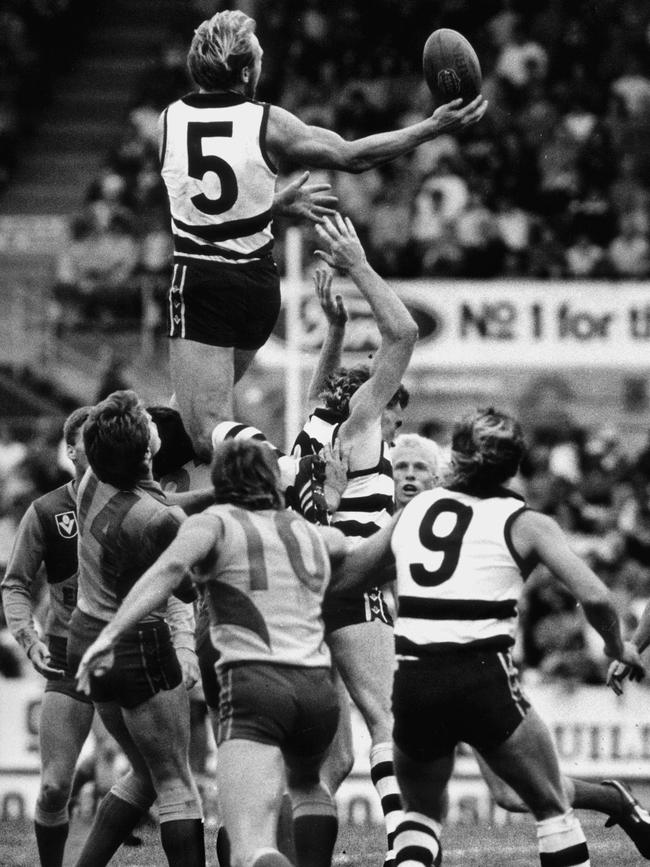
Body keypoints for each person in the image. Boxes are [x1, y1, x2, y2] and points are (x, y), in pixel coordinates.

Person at [160, 8, 488, 460]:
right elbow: (351, 156)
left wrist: (270, 206)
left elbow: (204, 206)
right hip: (256, 286)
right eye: (256, 58)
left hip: (202, 281)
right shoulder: (268, 122)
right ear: (245, 70)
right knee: (181, 418)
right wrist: (431, 127)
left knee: (205, 434)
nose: (261, 65)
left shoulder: (169, 120)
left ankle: (285, 472)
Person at [343, 406, 647, 866]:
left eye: (417, 467)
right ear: (514, 465)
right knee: (547, 806)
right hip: (482, 678)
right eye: (400, 466)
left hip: (416, 684)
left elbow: (344, 581)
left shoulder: (413, 515)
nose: (407, 476)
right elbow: (598, 597)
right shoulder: (523, 521)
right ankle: (606, 804)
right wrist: (616, 646)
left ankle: (612, 800)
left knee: (433, 814)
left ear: (451, 461)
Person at [75, 439, 355, 867]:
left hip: (256, 686)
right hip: (317, 689)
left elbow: (168, 570)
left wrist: (110, 632)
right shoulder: (309, 532)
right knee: (308, 786)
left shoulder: (215, 524)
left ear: (222, 480)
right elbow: (340, 544)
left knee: (249, 845)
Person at [291, 214, 417, 867]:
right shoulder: (360, 422)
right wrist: (361, 266)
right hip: (350, 583)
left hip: (303, 589)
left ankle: (274, 850)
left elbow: (319, 386)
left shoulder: (314, 422)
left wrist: (335, 329)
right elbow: (405, 331)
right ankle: (406, 848)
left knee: (330, 757)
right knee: (387, 720)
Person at [65, 390, 206, 867]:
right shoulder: (160, 522)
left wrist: (214, 492)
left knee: (146, 774)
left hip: (87, 635)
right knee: (176, 783)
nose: (152, 417)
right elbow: (186, 590)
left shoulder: (90, 479)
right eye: (148, 418)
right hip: (137, 645)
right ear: (148, 449)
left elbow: (156, 498)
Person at [1, 407, 95, 867]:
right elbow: (15, 583)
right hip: (67, 654)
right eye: (89, 441)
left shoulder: (147, 505)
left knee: (163, 779)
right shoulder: (49, 511)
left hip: (137, 653)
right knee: (56, 785)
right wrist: (27, 635)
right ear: (71, 450)